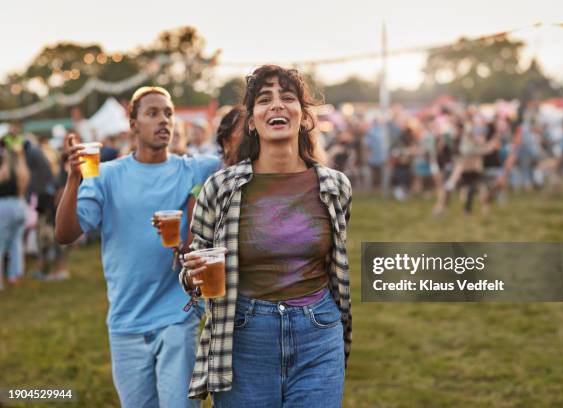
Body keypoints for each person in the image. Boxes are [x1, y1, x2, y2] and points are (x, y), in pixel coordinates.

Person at [180, 65, 352, 406]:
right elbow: (191, 271)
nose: (276, 105)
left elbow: (336, 263)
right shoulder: (220, 188)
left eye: (288, 98)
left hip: (317, 332)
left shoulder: (334, 187)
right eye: (264, 100)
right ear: (251, 120)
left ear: (303, 117)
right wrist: (195, 274)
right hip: (245, 336)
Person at [55, 86, 220, 408]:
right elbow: (65, 233)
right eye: (153, 113)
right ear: (133, 124)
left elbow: (241, 157)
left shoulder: (196, 169)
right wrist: (73, 180)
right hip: (126, 321)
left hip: (177, 316)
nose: (164, 120)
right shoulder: (105, 175)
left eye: (168, 113)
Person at [0, 126, 31, 288]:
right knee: (16, 242)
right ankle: (14, 275)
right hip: (20, 205)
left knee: (2, 243)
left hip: (4, 205)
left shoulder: (6, 164)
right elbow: (24, 183)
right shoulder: (20, 164)